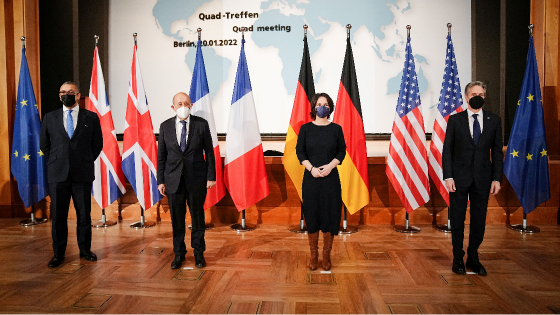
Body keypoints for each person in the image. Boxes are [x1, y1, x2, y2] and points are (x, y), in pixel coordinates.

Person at [442, 81, 503, 276]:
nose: (478, 96)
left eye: (482, 94)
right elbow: (447, 151)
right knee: (457, 219)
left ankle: (473, 257)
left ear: (484, 97)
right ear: (467, 97)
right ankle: (458, 258)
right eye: (475, 93)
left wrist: (496, 179)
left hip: (483, 179)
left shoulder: (494, 120)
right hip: (458, 179)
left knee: (479, 220)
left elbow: (497, 153)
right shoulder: (455, 120)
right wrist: (448, 176)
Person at [40, 81, 103, 268]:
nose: (66, 95)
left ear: (77, 95)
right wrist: (58, 160)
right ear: (59, 96)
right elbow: (45, 145)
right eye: (62, 92)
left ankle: (85, 250)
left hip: (82, 173)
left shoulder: (90, 117)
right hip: (57, 174)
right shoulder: (50, 117)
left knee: (84, 214)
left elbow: (97, 144)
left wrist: (83, 159)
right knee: (59, 216)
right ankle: (58, 254)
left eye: (70, 92)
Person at [157, 92, 216, 269]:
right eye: (179, 103)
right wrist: (161, 181)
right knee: (177, 219)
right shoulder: (165, 126)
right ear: (173, 107)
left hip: (196, 180)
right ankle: (178, 254)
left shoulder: (201, 124)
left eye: (186, 103)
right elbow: (161, 156)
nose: (183, 106)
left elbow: (210, 153)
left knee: (197, 219)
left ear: (191, 106)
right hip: (173, 181)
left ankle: (199, 254)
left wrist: (210, 177)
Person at [296, 93, 346, 271]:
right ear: (313, 107)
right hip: (311, 179)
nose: (322, 107)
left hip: (331, 180)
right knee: (312, 215)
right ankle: (313, 256)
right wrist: (311, 168)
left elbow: (342, 151)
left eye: (325, 104)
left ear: (330, 108)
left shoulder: (336, 129)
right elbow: (300, 152)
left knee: (330, 215)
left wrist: (331, 166)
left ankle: (326, 256)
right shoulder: (305, 129)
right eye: (319, 104)